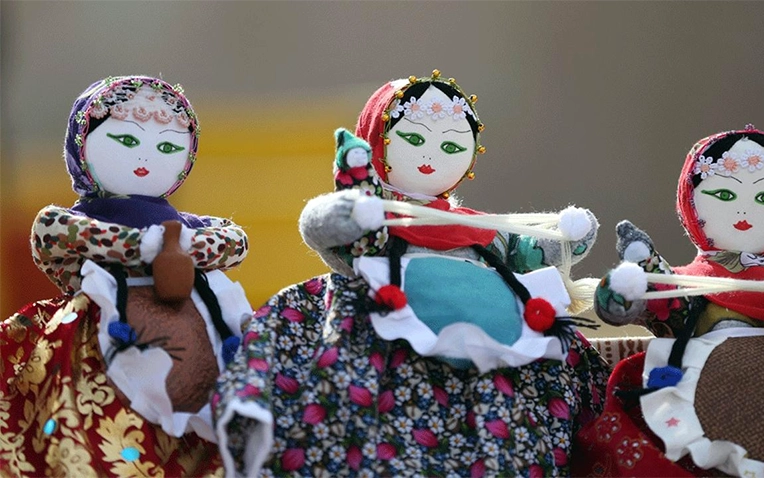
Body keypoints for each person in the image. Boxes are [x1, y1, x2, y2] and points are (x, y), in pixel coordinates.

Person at [213, 70, 609, 477]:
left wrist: (566, 239)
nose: (431, 156)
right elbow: (324, 227)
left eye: (452, 145)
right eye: (415, 139)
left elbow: (526, 252)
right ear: (376, 140)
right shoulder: (377, 220)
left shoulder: (475, 227)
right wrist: (351, 212)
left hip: (496, 348)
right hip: (386, 339)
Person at [0, 76, 251, 476]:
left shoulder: (189, 227)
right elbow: (52, 234)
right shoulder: (76, 221)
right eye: (128, 141)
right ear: (82, 145)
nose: (147, 158)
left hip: (194, 328)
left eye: (167, 147)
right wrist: (147, 247)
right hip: (100, 332)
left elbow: (235, 242)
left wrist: (176, 246)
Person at [578, 126, 764, 477]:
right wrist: (627, 287)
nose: (744, 212)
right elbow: (634, 301)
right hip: (694, 418)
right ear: (691, 202)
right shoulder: (683, 289)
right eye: (723, 194)